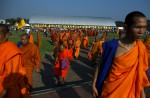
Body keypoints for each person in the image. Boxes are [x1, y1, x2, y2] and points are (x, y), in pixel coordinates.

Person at [92, 11, 149, 98]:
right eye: (138, 27)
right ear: (126, 27)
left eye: (144, 27)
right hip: (111, 90)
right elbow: (100, 65)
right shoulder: (112, 46)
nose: (141, 31)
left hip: (131, 92)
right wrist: (93, 84)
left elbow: (140, 74)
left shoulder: (141, 48)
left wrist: (142, 94)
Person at [0, 24, 30, 98]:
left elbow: (11, 78)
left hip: (7, 90)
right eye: (22, 39)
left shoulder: (12, 51)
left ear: (7, 35)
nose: (22, 41)